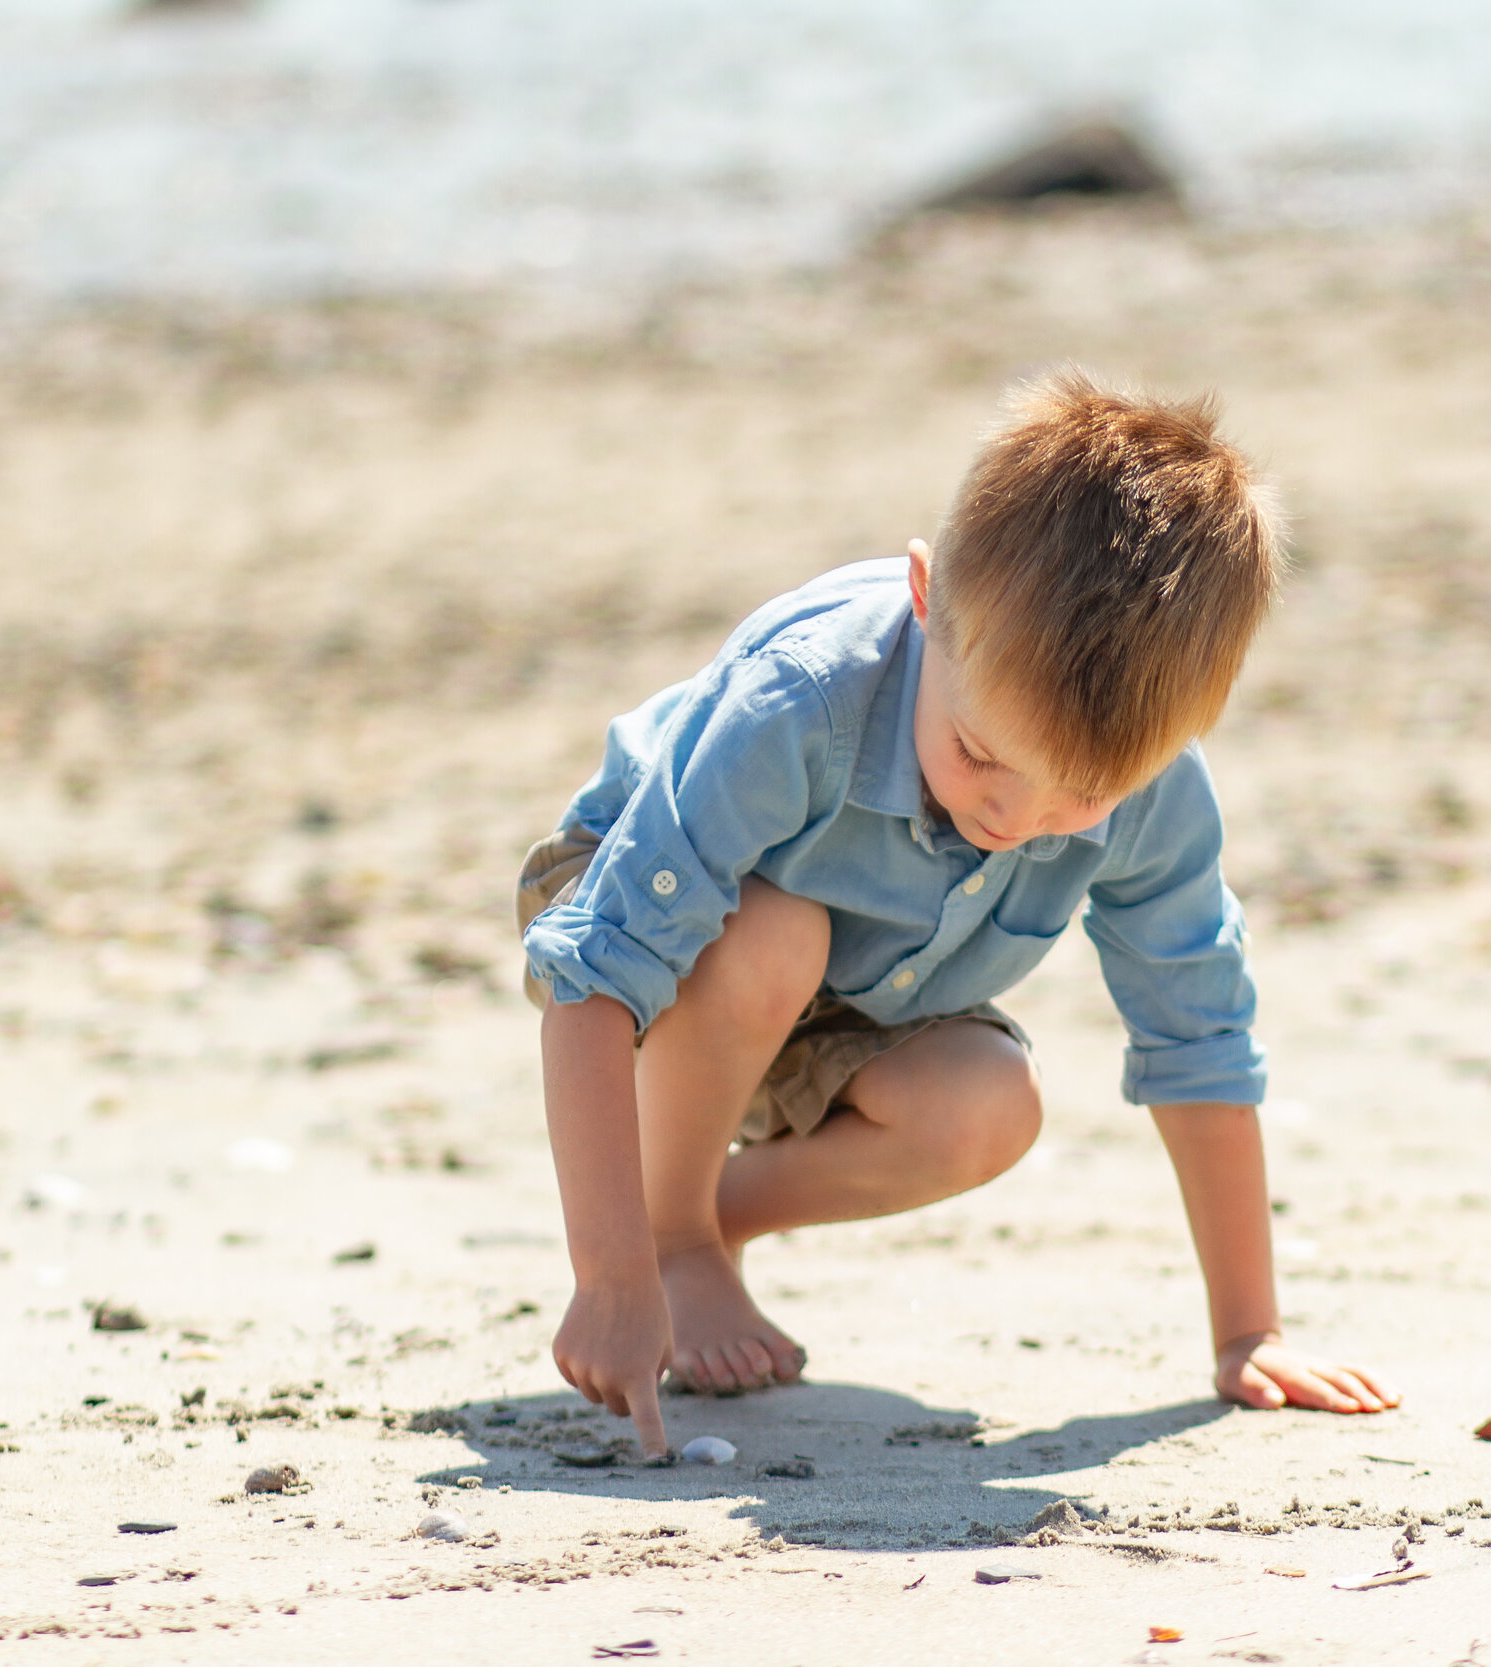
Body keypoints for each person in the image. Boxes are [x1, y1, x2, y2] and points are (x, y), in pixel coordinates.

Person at [519, 368, 1398, 1455]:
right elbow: (593, 979)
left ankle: (704, 1211)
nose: (1012, 813)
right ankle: (671, 1236)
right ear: (927, 598)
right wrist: (609, 1273)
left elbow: (1198, 1031)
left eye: (1079, 797)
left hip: (861, 991)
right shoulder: (801, 702)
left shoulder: (1154, 790)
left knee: (992, 1101)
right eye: (980, 751)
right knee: (772, 935)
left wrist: (1247, 1329)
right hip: (655, 910)